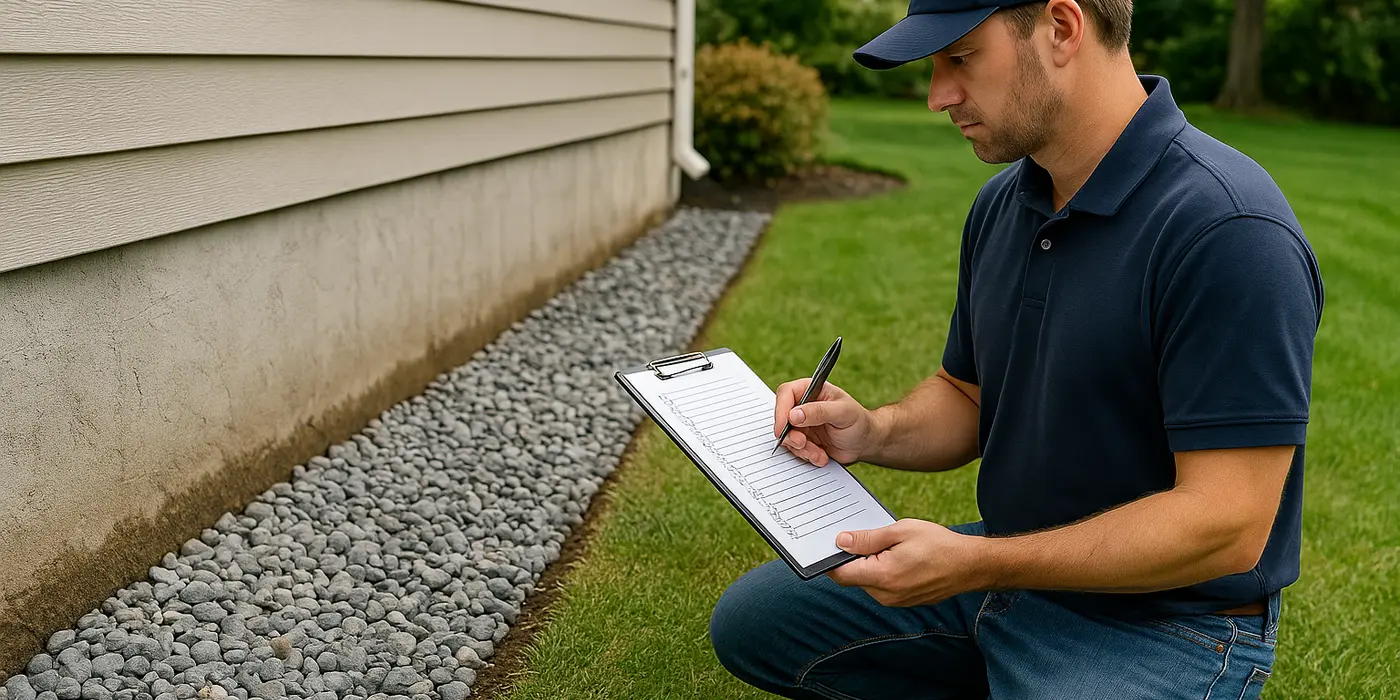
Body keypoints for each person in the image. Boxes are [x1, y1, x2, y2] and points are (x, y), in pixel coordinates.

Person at [706, 0, 1325, 698]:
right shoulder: (1004, 205)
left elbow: (1226, 525)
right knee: (754, 624)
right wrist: (871, 429)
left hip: (1166, 625)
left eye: (960, 57)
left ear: (1062, 28)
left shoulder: (1229, 230)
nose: (938, 95)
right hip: (1009, 573)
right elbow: (968, 394)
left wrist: (982, 561)